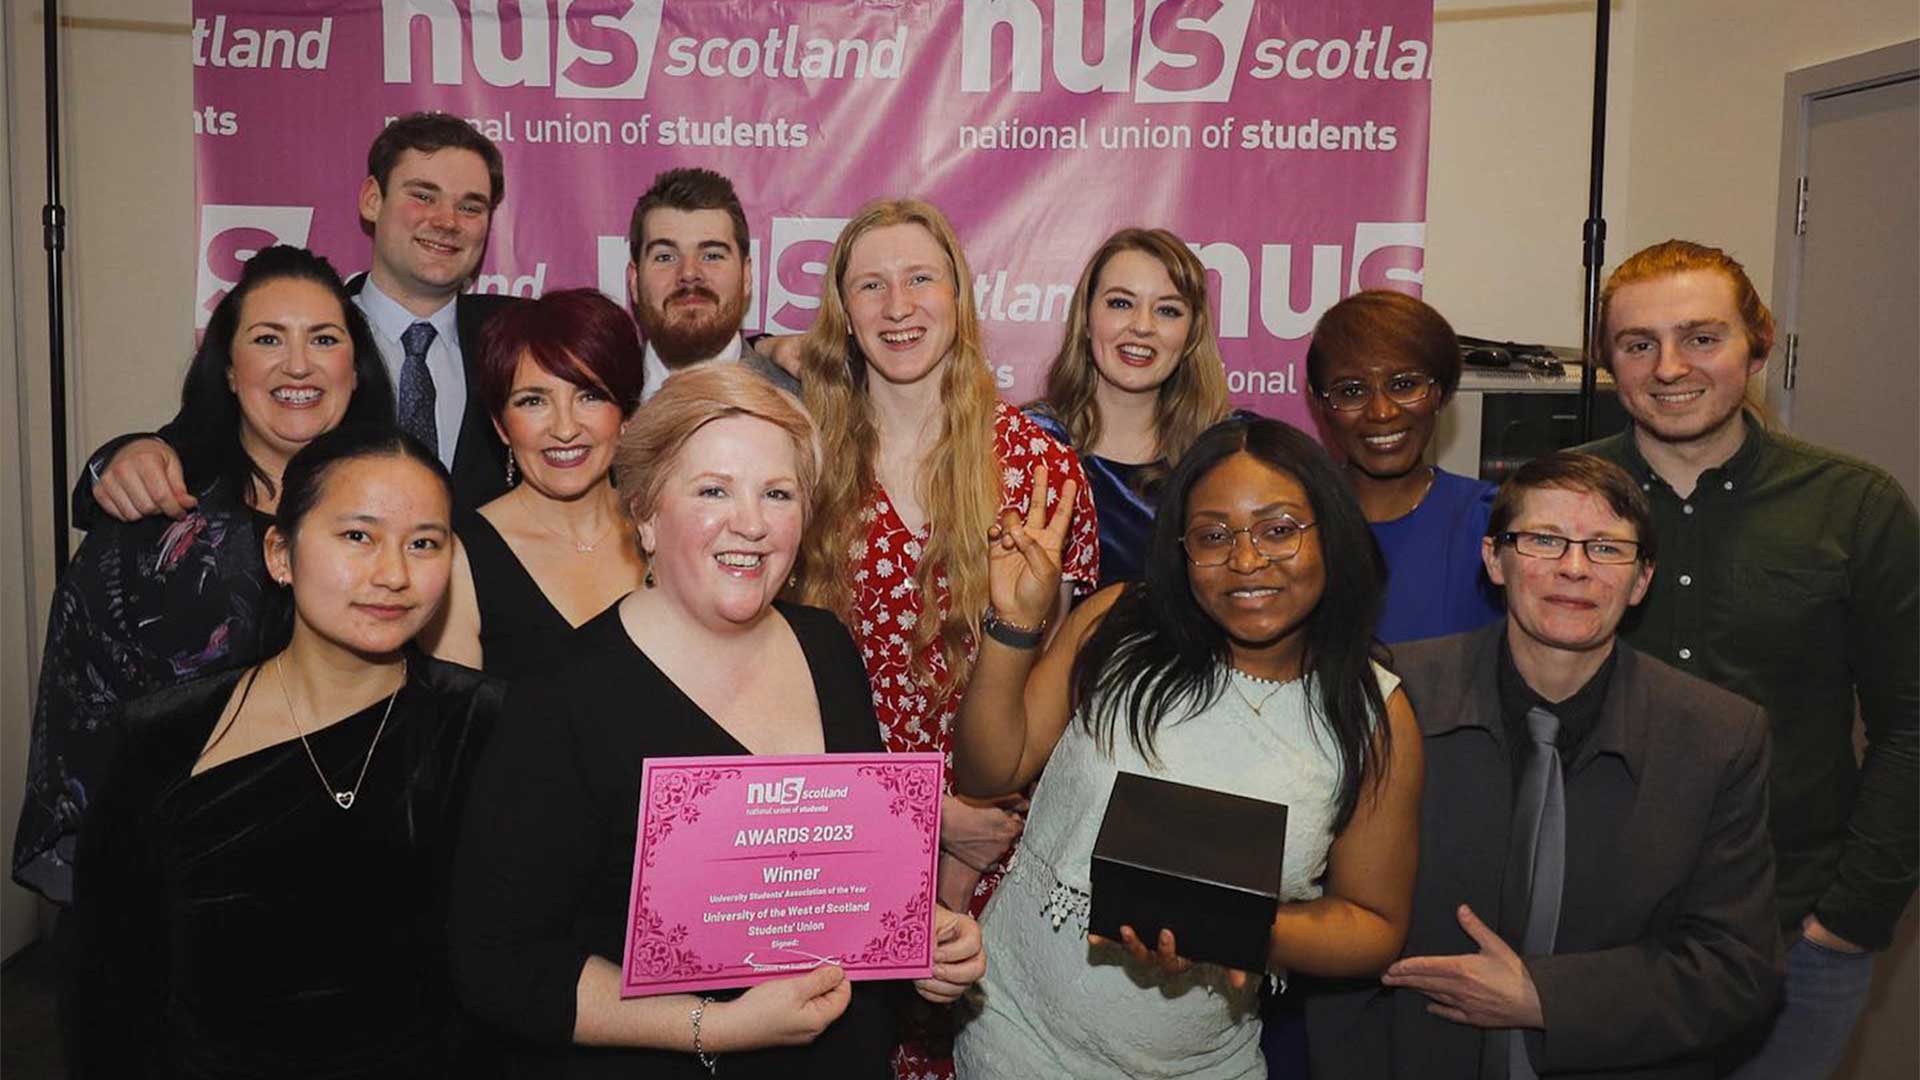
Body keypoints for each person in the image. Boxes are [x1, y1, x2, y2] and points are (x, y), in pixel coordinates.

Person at [447, 366, 985, 1078]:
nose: (752, 524)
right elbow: (498, 965)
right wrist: (717, 1026)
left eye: (777, 494)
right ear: (645, 514)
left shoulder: (828, 649)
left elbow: (851, 877)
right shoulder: (562, 698)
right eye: (713, 490)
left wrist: (922, 937)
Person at [948, 416, 1422, 1078]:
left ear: (1331, 534)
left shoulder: (1372, 714)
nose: (1246, 561)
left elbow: (1373, 925)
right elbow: (985, 772)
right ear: (1182, 550)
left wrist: (1231, 928)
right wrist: (1016, 624)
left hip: (1203, 1065)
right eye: (1213, 536)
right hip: (1013, 1037)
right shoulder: (1120, 625)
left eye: (1278, 530)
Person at [1311, 451, 1780, 1080]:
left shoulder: (1717, 738)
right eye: (1543, 540)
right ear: (1493, 559)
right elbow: (1328, 918)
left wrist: (1546, 998)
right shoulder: (1390, 696)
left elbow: (1737, 967)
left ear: (1642, 579)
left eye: (1606, 548)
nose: (1574, 568)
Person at [64, 423, 506, 1078]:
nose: (393, 574)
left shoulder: (485, 724)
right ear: (280, 553)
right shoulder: (164, 736)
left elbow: (508, 973)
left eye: (423, 543)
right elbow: (110, 993)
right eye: (357, 536)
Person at [1579, 239, 1917, 1077]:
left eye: (1702, 337)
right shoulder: (1560, 503)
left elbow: (1912, 722)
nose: (1669, 368)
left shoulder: (1855, 506)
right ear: (1608, 363)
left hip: (1796, 937)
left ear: (1757, 345)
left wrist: (1852, 916)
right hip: (1595, 941)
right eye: (1638, 344)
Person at [791, 198, 1099, 1076]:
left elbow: (1050, 695)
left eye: (920, 279)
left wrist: (969, 832)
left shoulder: (1038, 468)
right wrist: (924, 819)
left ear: (959, 296)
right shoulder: (797, 462)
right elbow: (770, 687)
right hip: (835, 844)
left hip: (1002, 848)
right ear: (843, 312)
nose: (898, 306)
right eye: (871, 286)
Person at [12, 246, 395, 903]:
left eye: (324, 339)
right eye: (268, 338)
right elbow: (79, 741)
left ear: (354, 371)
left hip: (358, 892)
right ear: (229, 371)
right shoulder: (149, 536)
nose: (298, 364)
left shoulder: (402, 528)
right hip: (171, 898)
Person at [80, 111, 516, 520]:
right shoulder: (302, 341)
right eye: (423, 196)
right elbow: (189, 442)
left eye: (471, 207)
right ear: (371, 199)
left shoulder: (520, 338)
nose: (447, 221)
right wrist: (127, 459)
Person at [423, 289, 648, 680]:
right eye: (533, 401)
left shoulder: (669, 536)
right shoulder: (458, 561)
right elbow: (454, 717)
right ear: (501, 426)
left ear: (625, 415)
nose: (565, 428)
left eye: (589, 396)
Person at [1026, 226, 1239, 584]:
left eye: (1168, 310)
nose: (1142, 326)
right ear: (1086, 319)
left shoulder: (1227, 454)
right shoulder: (1029, 444)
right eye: (1121, 304)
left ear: (1191, 334)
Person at [1306, 290, 1501, 644]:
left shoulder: (1492, 521)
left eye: (1404, 385)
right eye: (1352, 392)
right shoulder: (1289, 525)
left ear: (1439, 393)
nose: (1382, 412)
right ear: (1320, 403)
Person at [626, 166, 799, 401]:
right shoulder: (600, 401)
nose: (689, 273)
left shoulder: (806, 407)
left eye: (712, 256)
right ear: (634, 281)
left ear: (746, 276)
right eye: (665, 257)